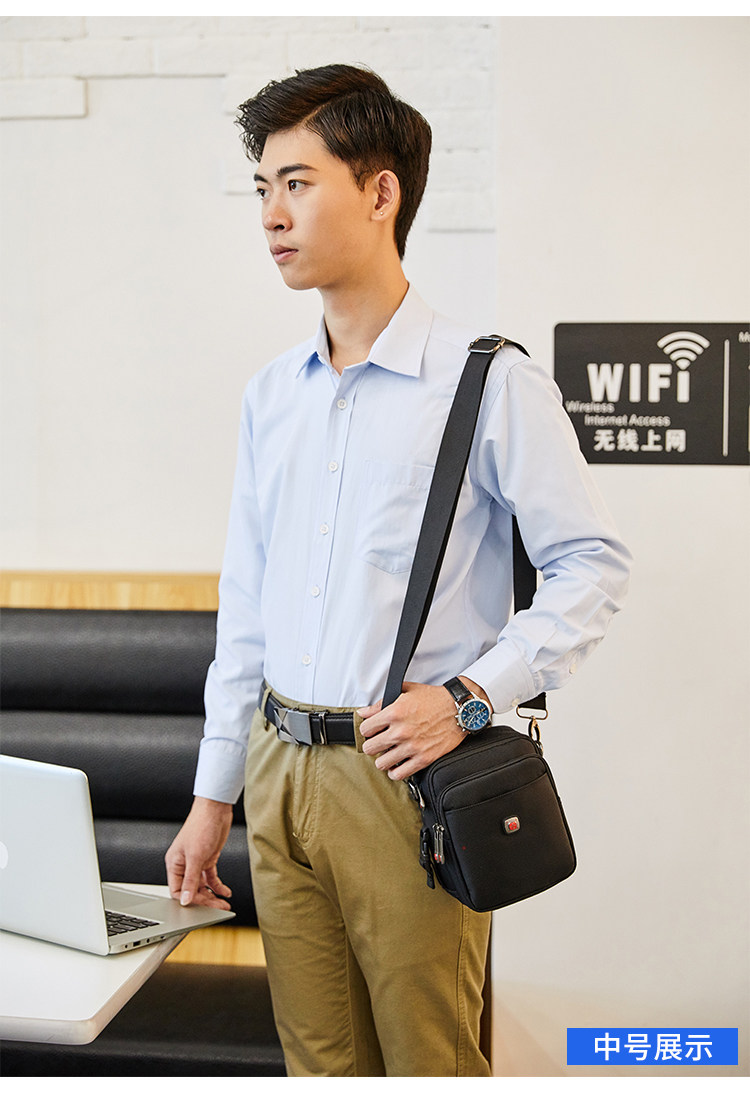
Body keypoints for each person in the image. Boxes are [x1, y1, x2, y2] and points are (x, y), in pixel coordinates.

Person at [165, 63, 631, 1077]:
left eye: (297, 183)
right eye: (263, 188)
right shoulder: (272, 396)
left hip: (402, 778)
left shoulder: (487, 380)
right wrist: (213, 794)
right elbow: (246, 606)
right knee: (317, 1059)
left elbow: (591, 562)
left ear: (381, 192)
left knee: (428, 1059)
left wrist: (470, 698)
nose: (272, 214)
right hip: (276, 765)